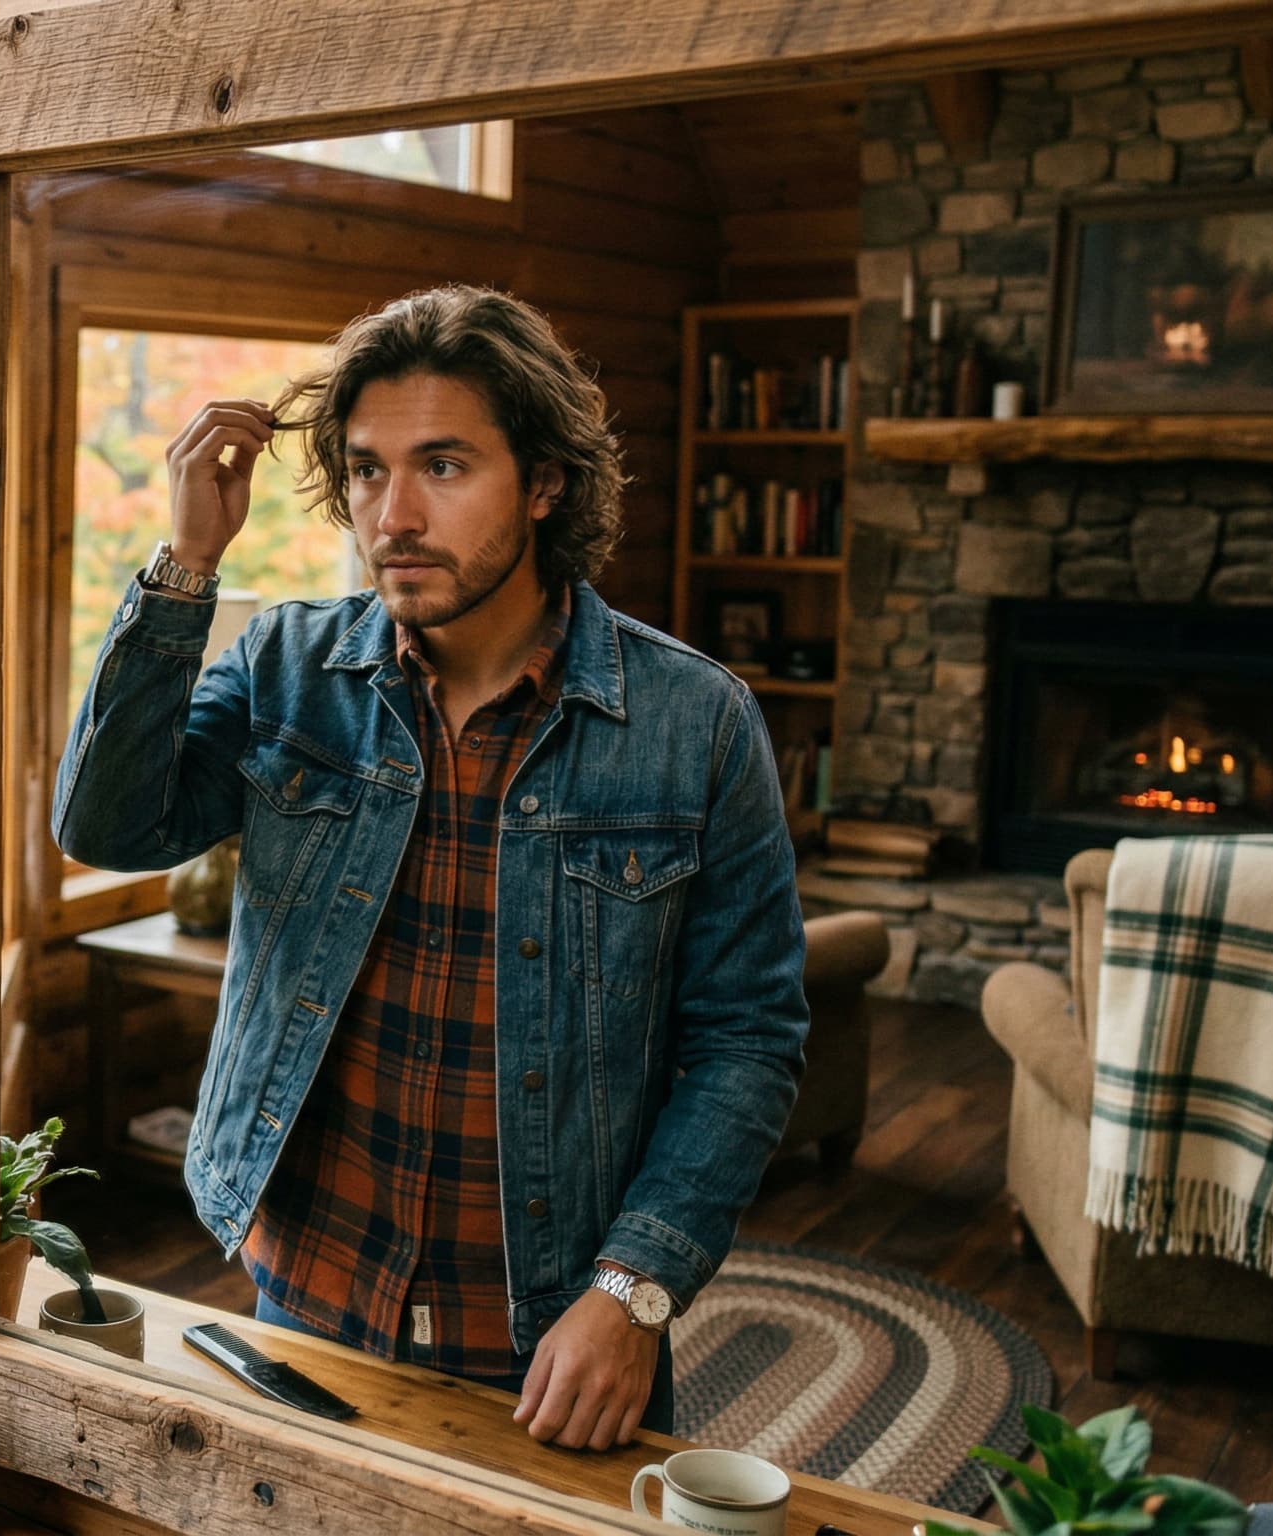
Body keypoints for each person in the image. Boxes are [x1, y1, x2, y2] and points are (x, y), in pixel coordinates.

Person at [53, 284, 806, 1451]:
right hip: (305, 1287)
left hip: (557, 1337)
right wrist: (185, 562)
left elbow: (746, 1039)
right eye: (364, 471)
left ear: (544, 481)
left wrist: (634, 1292)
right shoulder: (284, 667)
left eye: (442, 466)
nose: (391, 515)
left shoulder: (695, 723)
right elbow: (106, 825)